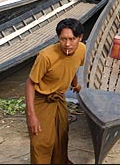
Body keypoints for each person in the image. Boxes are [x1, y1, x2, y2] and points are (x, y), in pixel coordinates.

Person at [25, 18, 85, 164]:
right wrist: (31, 115)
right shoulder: (46, 56)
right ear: (58, 38)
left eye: (72, 39)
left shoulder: (82, 49)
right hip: (41, 99)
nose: (68, 44)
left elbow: (72, 68)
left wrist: (76, 85)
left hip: (59, 98)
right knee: (41, 141)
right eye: (63, 39)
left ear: (80, 38)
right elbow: (30, 83)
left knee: (61, 136)